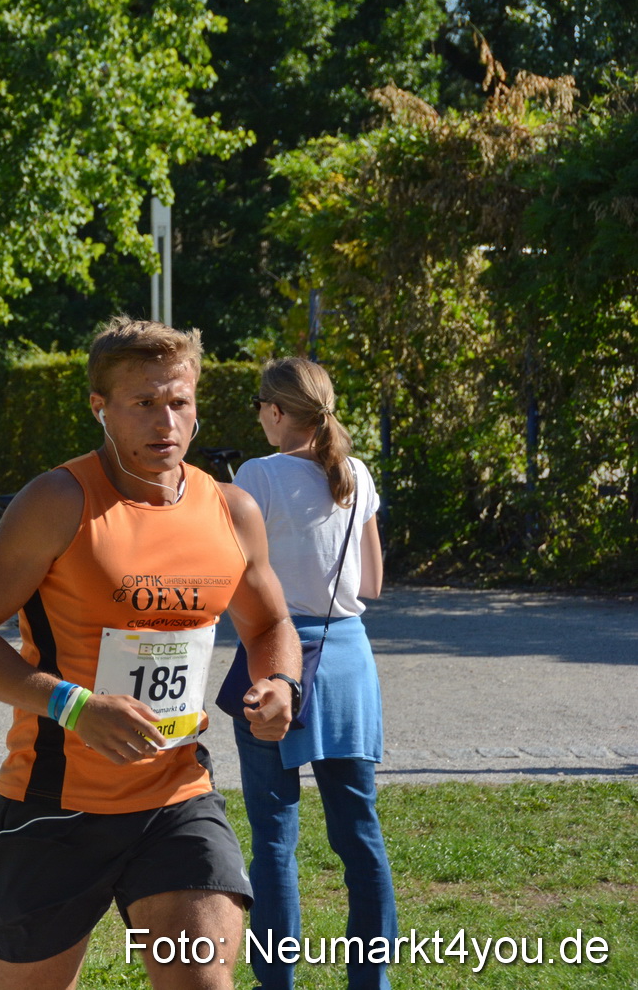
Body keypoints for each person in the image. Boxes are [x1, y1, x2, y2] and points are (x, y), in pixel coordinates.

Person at [0, 316, 301, 990]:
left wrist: (281, 681)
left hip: (176, 795)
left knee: (200, 979)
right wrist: (75, 706)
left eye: (179, 402)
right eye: (143, 403)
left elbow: (269, 621)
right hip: (56, 801)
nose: (166, 421)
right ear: (99, 407)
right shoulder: (60, 501)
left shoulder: (231, 510)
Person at [233, 358, 396, 990]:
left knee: (274, 837)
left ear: (275, 412)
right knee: (359, 834)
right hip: (350, 659)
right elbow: (372, 582)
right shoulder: (355, 473)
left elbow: (234, 579)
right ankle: (371, 981)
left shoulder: (257, 476)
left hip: (276, 662)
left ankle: (278, 983)